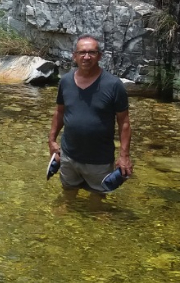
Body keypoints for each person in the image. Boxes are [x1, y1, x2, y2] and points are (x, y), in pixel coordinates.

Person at [48, 34, 133, 196]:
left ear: (99, 56)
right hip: (68, 157)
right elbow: (59, 112)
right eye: (82, 52)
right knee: (68, 194)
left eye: (92, 52)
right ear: (74, 56)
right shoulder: (65, 81)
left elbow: (124, 122)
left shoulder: (113, 85)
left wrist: (124, 156)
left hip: (99, 161)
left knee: (97, 201)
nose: (86, 57)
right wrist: (52, 140)